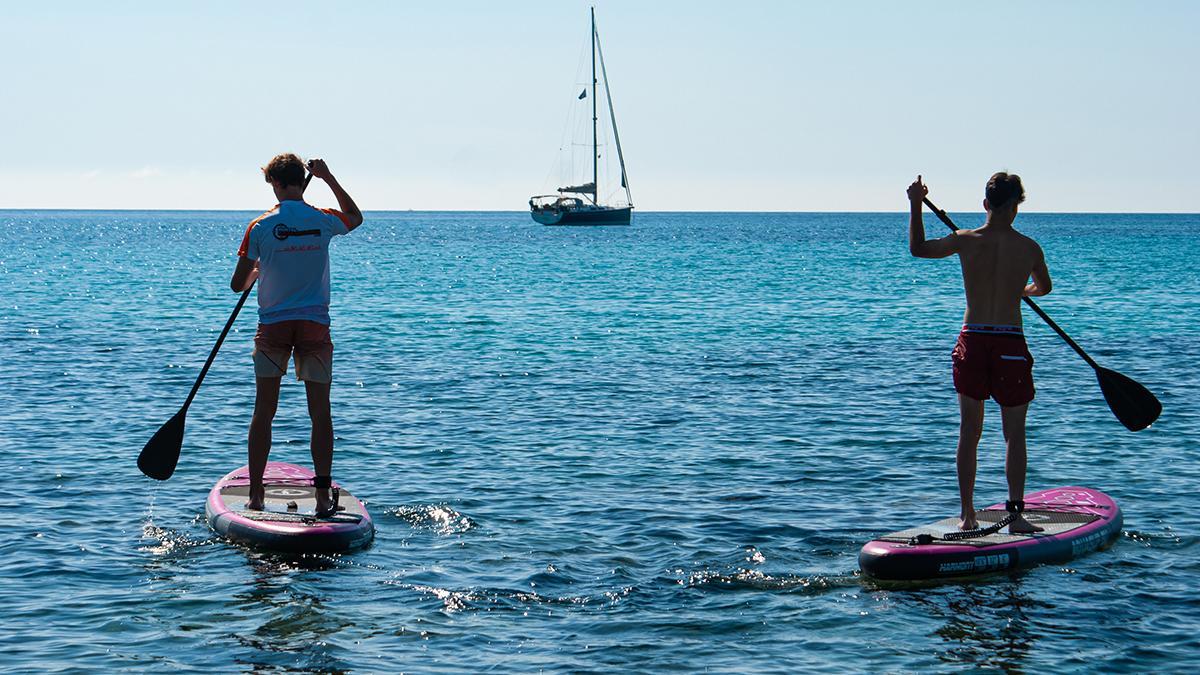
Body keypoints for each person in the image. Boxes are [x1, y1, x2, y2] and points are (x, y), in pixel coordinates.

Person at [907, 173, 1052, 534]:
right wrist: (1022, 291)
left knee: (969, 430)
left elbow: (919, 249)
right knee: (1014, 433)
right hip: (1009, 341)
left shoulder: (965, 240)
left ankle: (967, 513)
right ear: (1016, 207)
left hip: (972, 338)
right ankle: (1016, 516)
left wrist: (914, 204)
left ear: (985, 205)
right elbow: (1045, 288)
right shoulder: (1030, 248)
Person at [230, 153, 363, 516]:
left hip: (273, 325)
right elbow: (355, 218)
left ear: (273, 182)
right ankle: (322, 498)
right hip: (314, 325)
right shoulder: (323, 220)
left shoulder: (259, 227)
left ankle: (256, 496)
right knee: (320, 413)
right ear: (299, 179)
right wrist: (329, 177)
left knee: (264, 412)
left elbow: (236, 284)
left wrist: (255, 273)